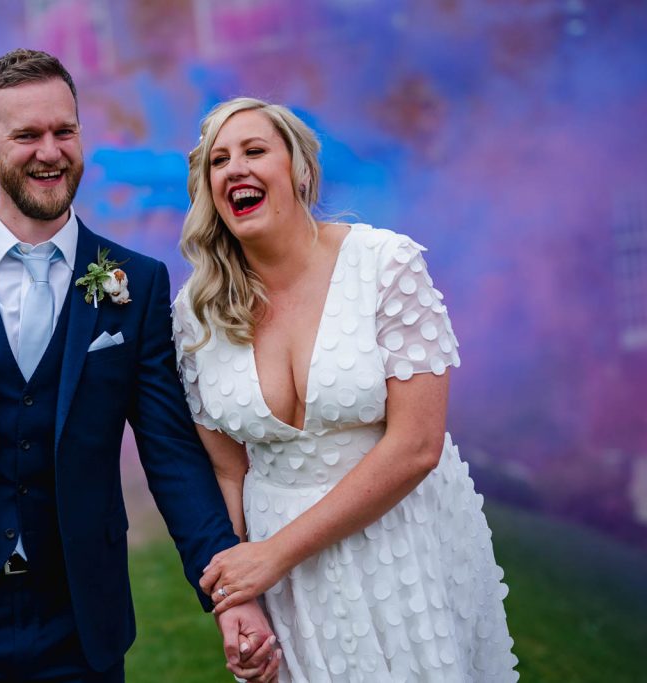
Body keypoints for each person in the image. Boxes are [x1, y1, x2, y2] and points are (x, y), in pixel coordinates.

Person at [0, 51, 280, 683]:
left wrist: (227, 590)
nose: (51, 151)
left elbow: (171, 453)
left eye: (64, 131)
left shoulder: (139, 283)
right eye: (27, 135)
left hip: (77, 616)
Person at [171, 97, 519, 681]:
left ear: (300, 170)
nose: (236, 168)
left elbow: (416, 445)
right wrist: (239, 605)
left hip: (402, 549)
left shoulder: (386, 265)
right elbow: (228, 473)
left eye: (255, 151)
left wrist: (271, 556)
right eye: (218, 160)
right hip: (284, 587)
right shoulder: (197, 312)